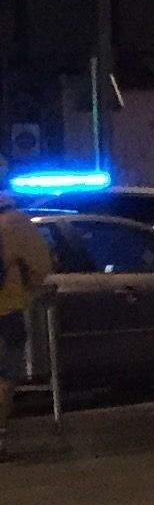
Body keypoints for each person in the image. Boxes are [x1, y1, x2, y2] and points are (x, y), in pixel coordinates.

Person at [0, 195, 50, 459]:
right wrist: (28, 292)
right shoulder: (15, 221)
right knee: (5, 378)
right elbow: (41, 265)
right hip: (5, 311)